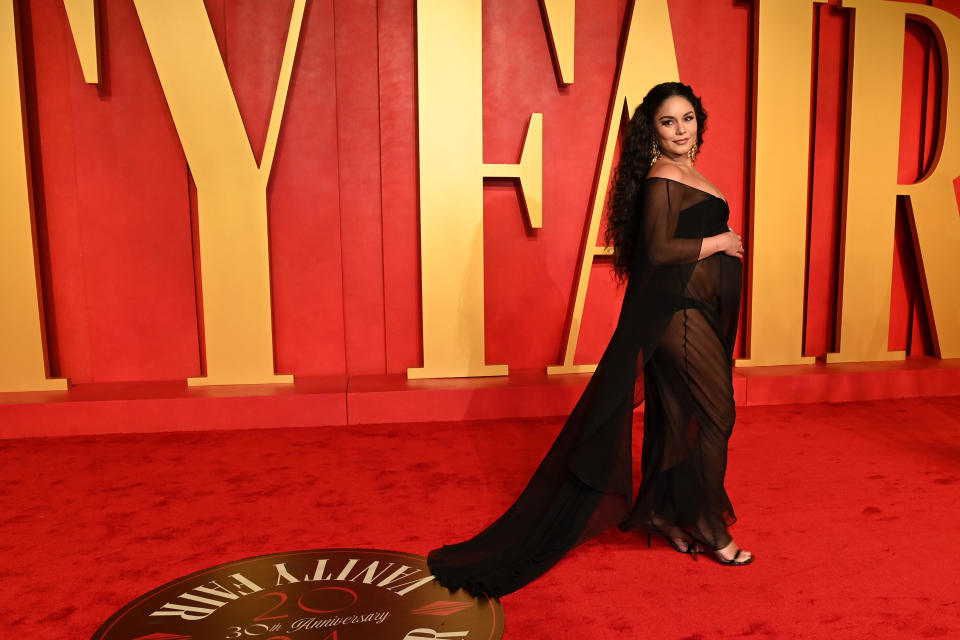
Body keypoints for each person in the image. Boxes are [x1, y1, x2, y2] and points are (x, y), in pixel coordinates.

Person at [427, 82, 751, 599]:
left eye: (687, 118)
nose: (680, 130)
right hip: (677, 315)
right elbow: (662, 249)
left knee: (676, 415)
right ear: (653, 129)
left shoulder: (686, 172)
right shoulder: (663, 175)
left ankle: (666, 513)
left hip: (690, 314)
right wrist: (722, 241)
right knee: (716, 415)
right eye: (668, 122)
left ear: (699, 121)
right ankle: (710, 525)